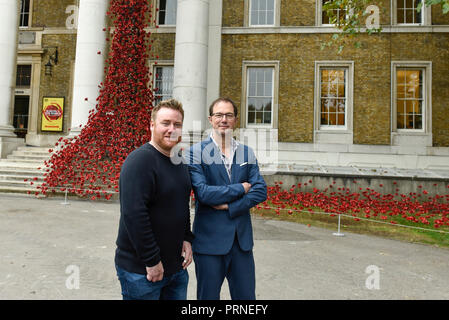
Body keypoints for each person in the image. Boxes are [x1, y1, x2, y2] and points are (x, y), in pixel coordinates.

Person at [187, 97, 267, 300]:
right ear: (210, 119)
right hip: (209, 244)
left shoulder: (246, 152)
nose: (224, 119)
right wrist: (241, 187)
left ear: (235, 119)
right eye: (219, 115)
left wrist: (230, 207)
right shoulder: (195, 153)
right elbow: (204, 193)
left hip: (241, 244)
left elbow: (260, 190)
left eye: (229, 115)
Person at [115, 98, 194, 300]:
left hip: (175, 269)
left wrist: (187, 237)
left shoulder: (179, 162)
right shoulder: (140, 161)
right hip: (142, 272)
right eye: (165, 123)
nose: (171, 129)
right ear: (152, 125)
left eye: (177, 124)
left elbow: (181, 205)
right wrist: (152, 261)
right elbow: (134, 215)